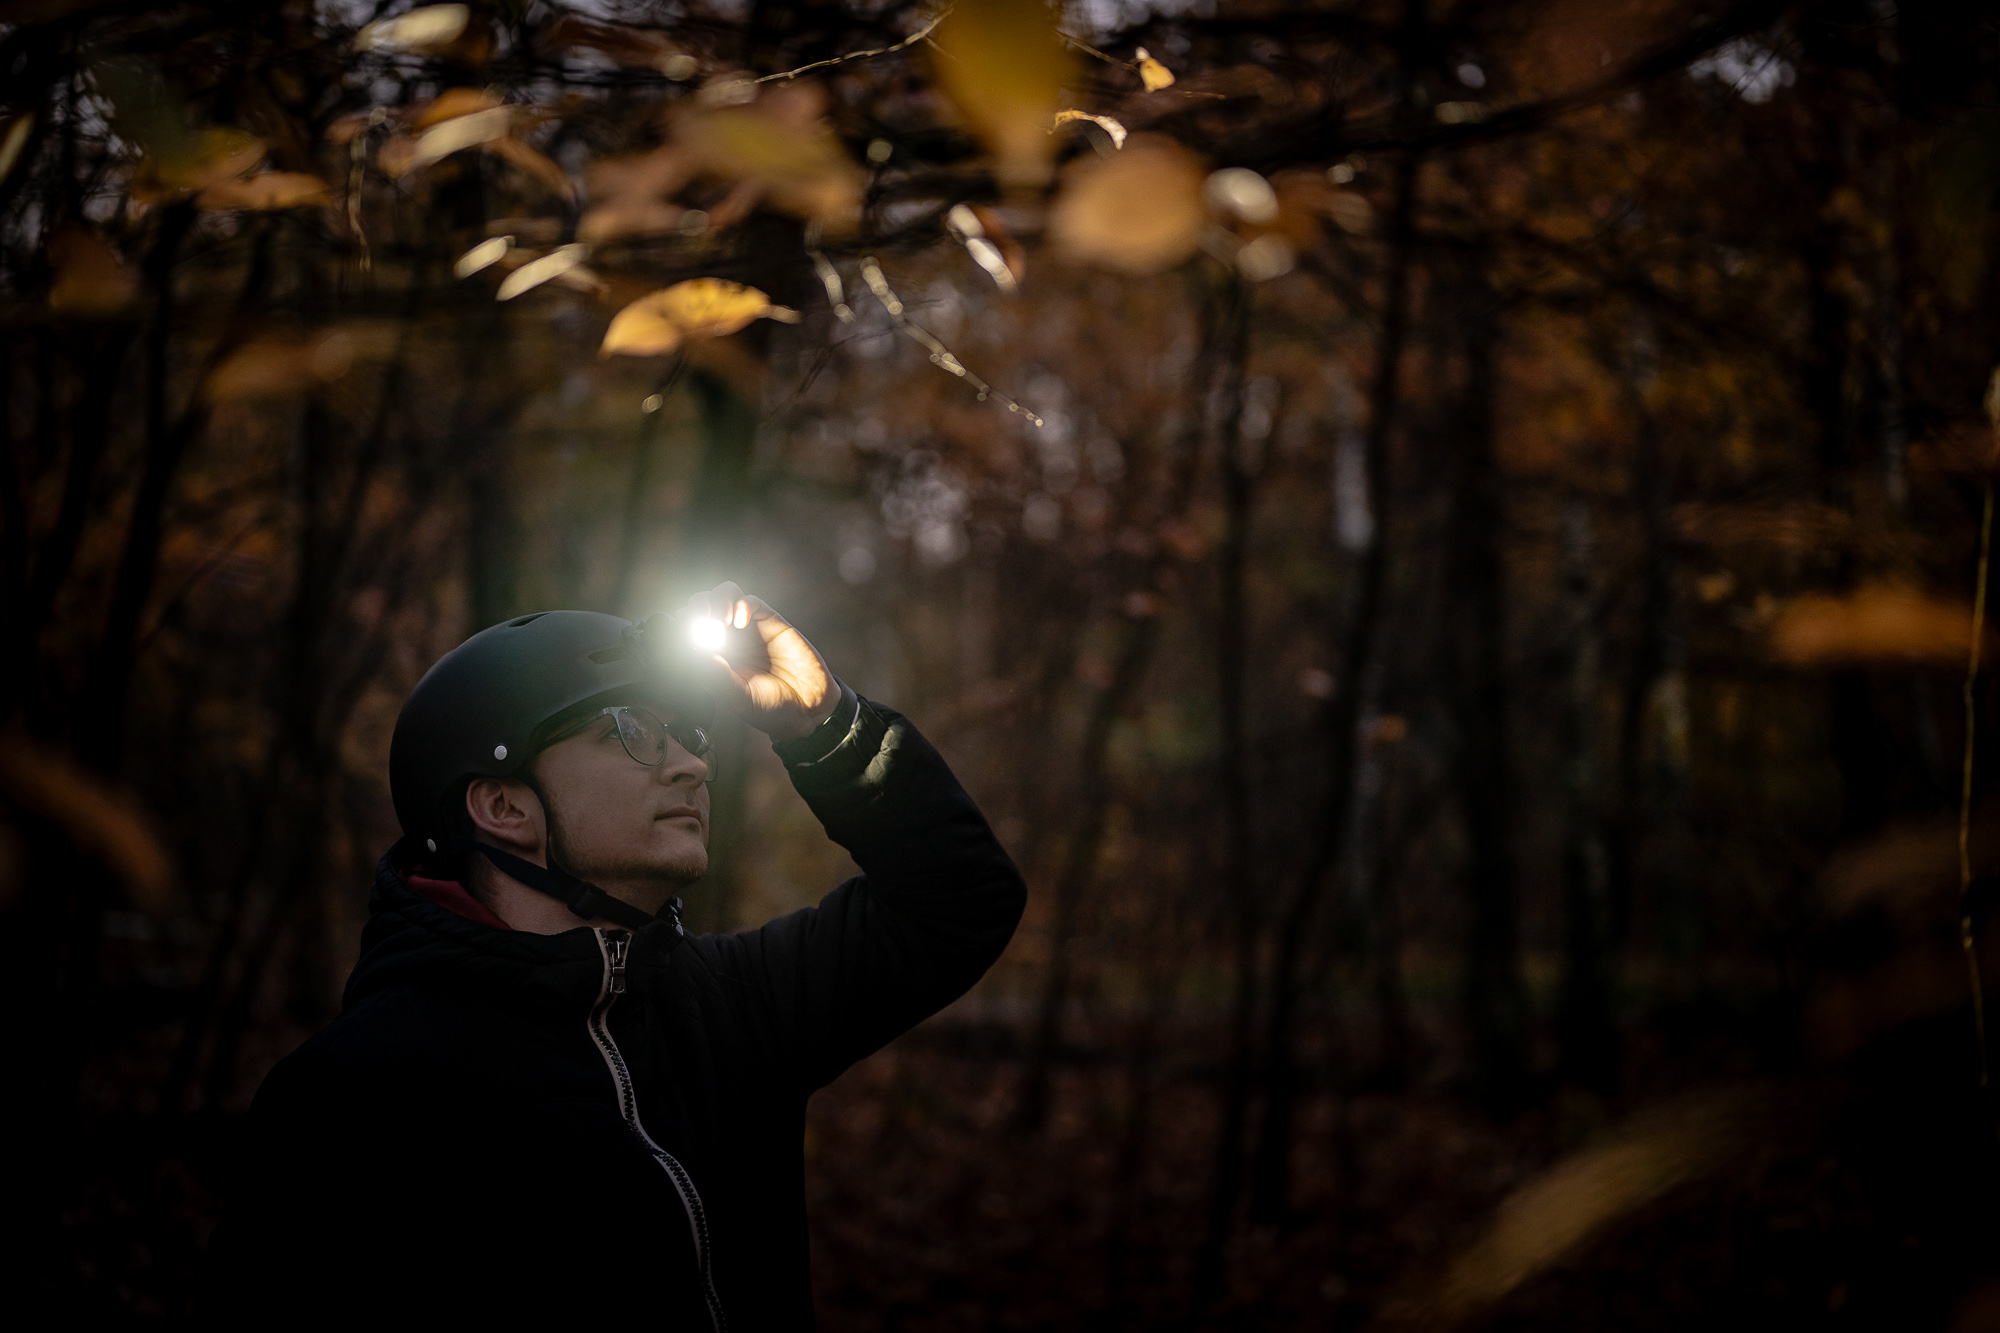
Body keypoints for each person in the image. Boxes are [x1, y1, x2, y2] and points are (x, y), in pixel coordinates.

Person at [209, 583, 1026, 1327]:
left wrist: (824, 723)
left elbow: (961, 902)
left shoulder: (732, 1006)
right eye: (631, 731)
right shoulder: (352, 1095)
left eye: (688, 735)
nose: (693, 765)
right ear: (501, 806)